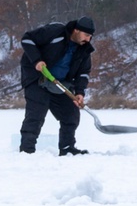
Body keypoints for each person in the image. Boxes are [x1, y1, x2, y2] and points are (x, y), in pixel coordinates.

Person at [19, 17, 95, 155]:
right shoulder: (55, 32)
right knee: (36, 114)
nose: (88, 40)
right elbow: (27, 39)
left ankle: (67, 148)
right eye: (86, 35)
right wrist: (37, 60)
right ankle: (26, 150)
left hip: (60, 83)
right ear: (76, 30)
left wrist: (79, 92)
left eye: (90, 36)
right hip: (38, 79)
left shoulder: (84, 50)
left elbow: (83, 73)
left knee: (71, 115)